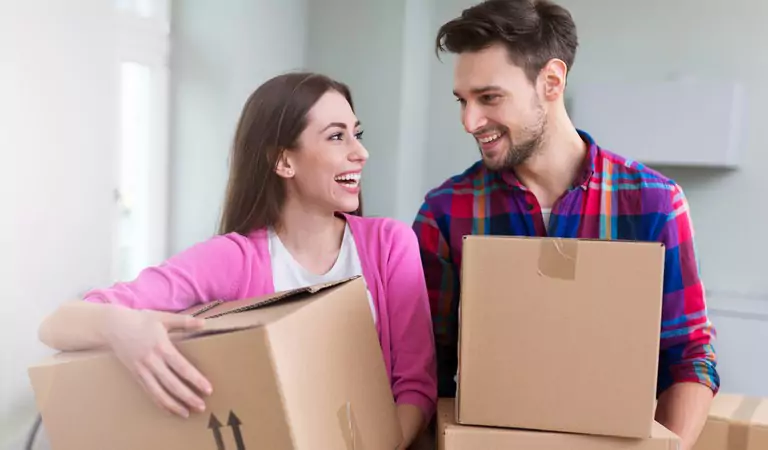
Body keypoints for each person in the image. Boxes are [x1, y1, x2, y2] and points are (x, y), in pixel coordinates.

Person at [38, 72, 437, 448]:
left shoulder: (389, 245)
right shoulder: (234, 258)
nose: (361, 152)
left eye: (357, 134)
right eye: (337, 137)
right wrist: (124, 329)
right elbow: (58, 325)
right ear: (283, 161)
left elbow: (415, 386)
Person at [412, 1, 718, 449]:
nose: (469, 121)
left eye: (489, 97)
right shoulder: (446, 212)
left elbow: (689, 358)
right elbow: (426, 370)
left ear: (551, 81)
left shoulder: (653, 203)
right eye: (463, 101)